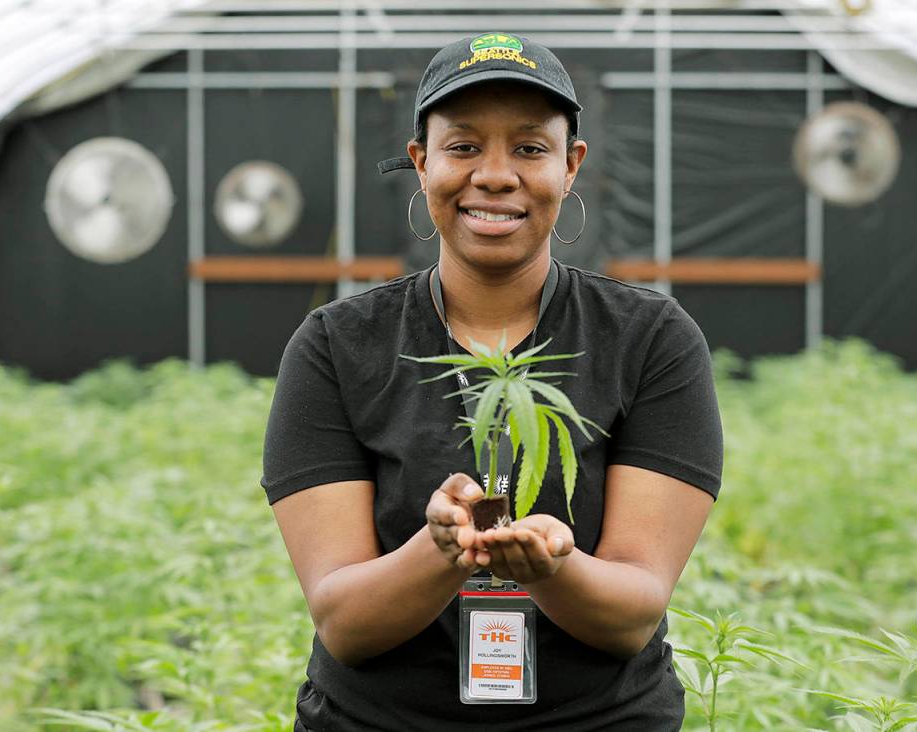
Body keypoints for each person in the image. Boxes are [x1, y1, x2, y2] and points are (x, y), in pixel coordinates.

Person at [261, 32, 723, 731]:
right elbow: (345, 623)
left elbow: (633, 613)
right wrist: (441, 547)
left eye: (531, 149)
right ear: (422, 163)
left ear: (571, 167)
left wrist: (550, 567)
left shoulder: (648, 339)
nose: (496, 175)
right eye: (464, 146)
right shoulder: (337, 345)